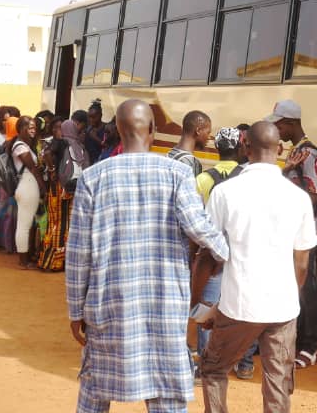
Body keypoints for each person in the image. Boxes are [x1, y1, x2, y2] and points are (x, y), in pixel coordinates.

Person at [66, 99, 228, 413]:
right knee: (166, 391)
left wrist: (75, 310)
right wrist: (231, 254)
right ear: (152, 130)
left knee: (95, 391)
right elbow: (201, 229)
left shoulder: (93, 178)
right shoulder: (177, 173)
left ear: (117, 130)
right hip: (164, 305)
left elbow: (78, 253)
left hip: (108, 304)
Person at [199, 121, 317, 412]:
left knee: (213, 369)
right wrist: (290, 294)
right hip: (283, 308)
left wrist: (198, 302)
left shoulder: (225, 193)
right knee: (278, 383)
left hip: (238, 305)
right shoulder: (299, 198)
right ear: (280, 150)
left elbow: (208, 256)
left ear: (245, 147)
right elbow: (302, 263)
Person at [265, 99, 317, 369]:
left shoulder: (309, 154)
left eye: (279, 125)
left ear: (290, 123)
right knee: (293, 287)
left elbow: (315, 194)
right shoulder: (296, 152)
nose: (277, 130)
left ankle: (310, 347)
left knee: (307, 289)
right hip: (291, 229)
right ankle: (298, 340)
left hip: (304, 231)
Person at [190, 128, 247, 380]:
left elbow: (196, 221)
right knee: (242, 307)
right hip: (240, 253)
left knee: (207, 308)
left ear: (217, 148)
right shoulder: (246, 178)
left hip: (212, 254)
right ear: (240, 148)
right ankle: (243, 363)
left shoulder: (203, 179)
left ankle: (206, 363)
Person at [36, 119, 88, 272]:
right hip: (73, 188)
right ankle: (62, 261)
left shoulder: (60, 142)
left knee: (56, 222)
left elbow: (46, 153)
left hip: (57, 188)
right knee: (67, 223)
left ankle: (50, 260)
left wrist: (52, 170)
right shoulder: (80, 146)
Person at [11, 116, 46, 270]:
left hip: (26, 186)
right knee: (24, 226)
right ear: (21, 129)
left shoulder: (24, 145)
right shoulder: (20, 146)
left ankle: (26, 257)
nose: (33, 130)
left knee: (27, 224)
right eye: (30, 127)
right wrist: (43, 187)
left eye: (34, 128)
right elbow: (33, 168)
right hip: (27, 185)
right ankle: (23, 261)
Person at [167, 110, 210, 177]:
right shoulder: (192, 163)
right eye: (208, 132)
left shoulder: (170, 154)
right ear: (198, 130)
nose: (209, 137)